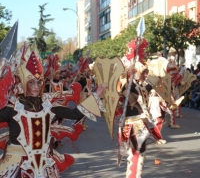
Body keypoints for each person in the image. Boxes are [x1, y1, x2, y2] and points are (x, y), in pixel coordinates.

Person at [0, 44, 107, 177]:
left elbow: (74, 114)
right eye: (31, 83)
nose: (36, 87)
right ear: (22, 82)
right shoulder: (12, 107)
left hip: (43, 166)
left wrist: (96, 95)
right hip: (16, 165)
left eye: (38, 83)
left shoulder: (48, 105)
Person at [118, 61, 161, 178]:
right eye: (144, 73)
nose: (146, 75)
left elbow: (144, 91)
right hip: (132, 124)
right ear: (136, 73)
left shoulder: (137, 85)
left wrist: (154, 80)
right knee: (135, 153)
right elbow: (131, 96)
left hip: (139, 123)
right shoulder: (129, 85)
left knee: (139, 153)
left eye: (146, 73)